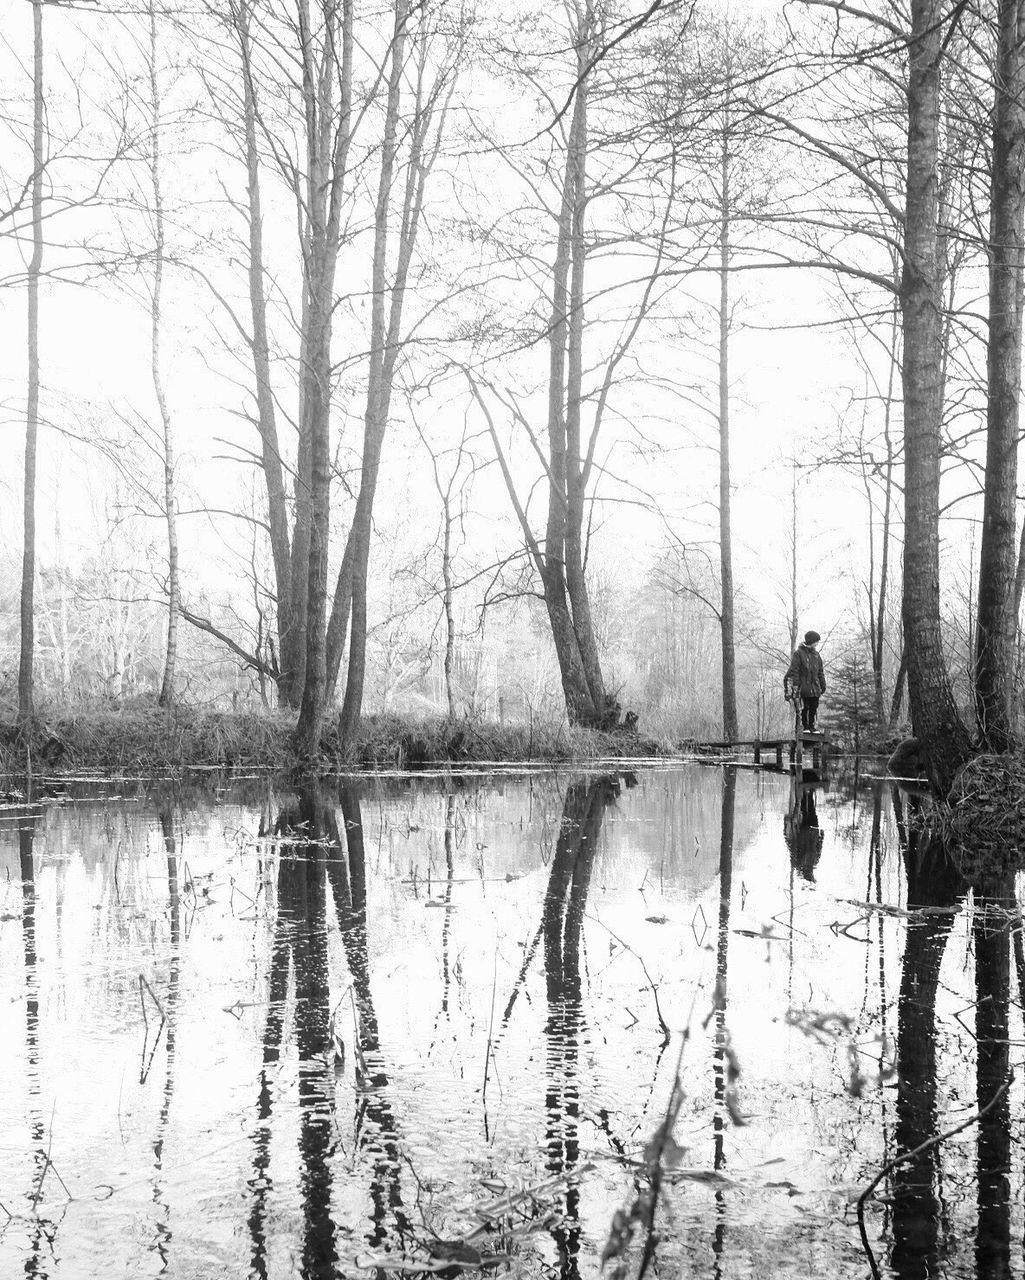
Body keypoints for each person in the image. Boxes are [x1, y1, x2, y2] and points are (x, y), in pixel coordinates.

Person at [784, 630, 826, 732]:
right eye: (816, 641)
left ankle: (812, 727)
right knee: (804, 707)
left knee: (814, 707)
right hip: (803, 687)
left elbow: (820, 671)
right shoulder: (798, 654)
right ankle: (805, 726)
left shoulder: (816, 655)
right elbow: (795, 671)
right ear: (811, 641)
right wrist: (796, 686)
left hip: (815, 688)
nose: (817, 644)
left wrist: (822, 684)